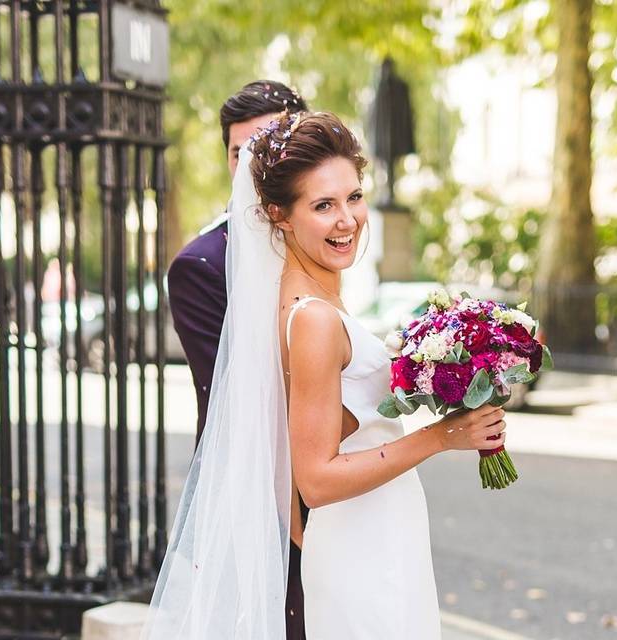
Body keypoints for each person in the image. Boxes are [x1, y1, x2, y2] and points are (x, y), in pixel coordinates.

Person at [144, 112, 507, 639]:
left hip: (375, 532)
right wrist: (442, 436)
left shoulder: (310, 300)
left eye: (353, 197)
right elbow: (313, 480)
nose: (348, 220)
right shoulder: (312, 317)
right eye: (323, 206)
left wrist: (429, 377)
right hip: (362, 546)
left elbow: (326, 432)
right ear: (279, 216)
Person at [164, 80, 308, 639]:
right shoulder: (202, 264)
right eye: (239, 152)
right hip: (258, 497)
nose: (252, 164)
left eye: (268, 147)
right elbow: (247, 405)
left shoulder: (330, 238)